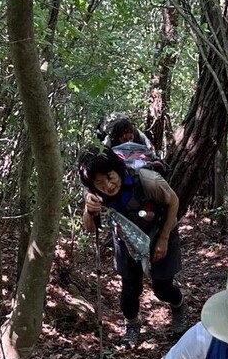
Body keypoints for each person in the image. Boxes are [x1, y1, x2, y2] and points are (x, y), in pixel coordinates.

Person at [80, 145, 187, 346]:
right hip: (125, 239)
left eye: (110, 178)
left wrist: (164, 239)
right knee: (130, 288)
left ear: (117, 169)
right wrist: (89, 210)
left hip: (159, 230)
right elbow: (89, 228)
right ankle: (132, 324)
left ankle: (178, 305)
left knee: (162, 287)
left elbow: (173, 202)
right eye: (100, 183)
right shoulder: (96, 196)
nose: (108, 187)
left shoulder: (148, 180)